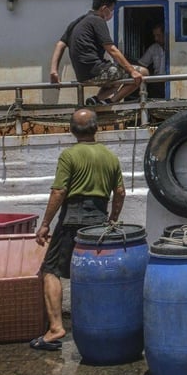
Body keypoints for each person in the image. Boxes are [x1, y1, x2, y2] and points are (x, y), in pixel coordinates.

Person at [31, 108, 125, 350]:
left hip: (72, 220)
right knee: (93, 274)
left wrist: (44, 224)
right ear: (96, 129)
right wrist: (112, 219)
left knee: (51, 269)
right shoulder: (110, 157)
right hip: (99, 222)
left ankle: (55, 328)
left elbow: (59, 191)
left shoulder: (69, 155)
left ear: (71, 130)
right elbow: (120, 193)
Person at [49, 0, 146, 105]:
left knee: (115, 77)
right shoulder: (97, 20)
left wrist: (54, 71)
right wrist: (132, 71)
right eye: (111, 10)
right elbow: (111, 49)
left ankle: (96, 100)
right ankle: (111, 101)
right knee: (143, 72)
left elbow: (60, 45)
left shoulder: (77, 22)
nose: (111, 14)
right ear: (104, 9)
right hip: (97, 71)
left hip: (82, 75)